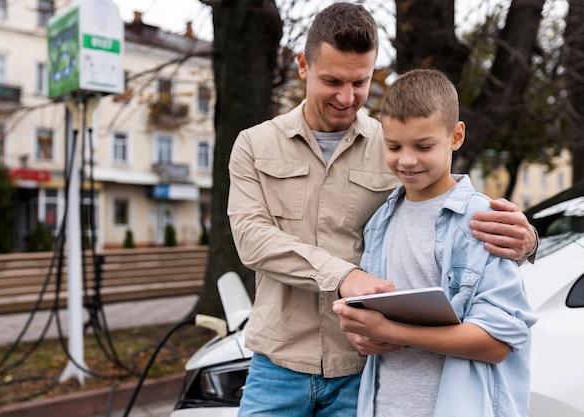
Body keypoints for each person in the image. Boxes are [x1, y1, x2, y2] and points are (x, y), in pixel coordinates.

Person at [227, 3, 537, 416]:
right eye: (332, 80)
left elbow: (445, 215)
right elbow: (252, 240)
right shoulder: (253, 145)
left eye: (359, 82)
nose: (346, 97)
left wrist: (527, 240)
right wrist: (345, 276)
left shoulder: (393, 142)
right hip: (278, 365)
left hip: (365, 371)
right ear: (303, 65)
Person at [333, 68, 537, 417]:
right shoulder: (380, 221)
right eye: (394, 146)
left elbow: (498, 342)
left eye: (423, 146)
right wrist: (363, 332)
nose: (407, 160)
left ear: (456, 136)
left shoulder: (483, 221)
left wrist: (394, 331)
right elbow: (373, 321)